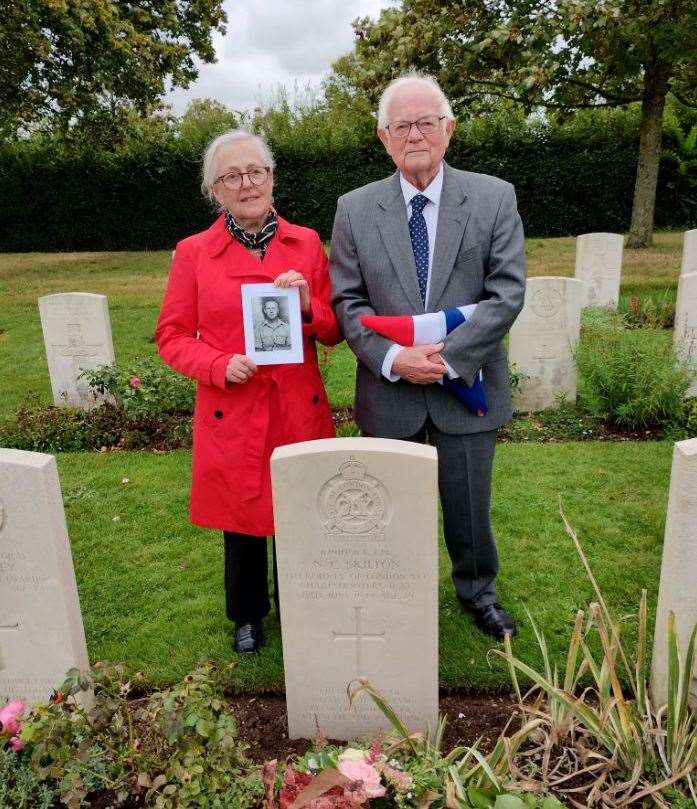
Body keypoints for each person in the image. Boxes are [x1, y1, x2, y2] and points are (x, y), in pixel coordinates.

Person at [329, 73, 526, 640]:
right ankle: (396, 594)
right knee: (387, 508)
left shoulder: (493, 197)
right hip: (389, 392)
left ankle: (478, 593)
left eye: (426, 122)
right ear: (383, 138)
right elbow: (347, 300)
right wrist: (394, 358)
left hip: (467, 389)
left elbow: (507, 292)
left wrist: (444, 360)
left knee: (469, 508)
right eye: (401, 126)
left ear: (449, 130)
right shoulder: (355, 209)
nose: (414, 134)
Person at [156, 130, 341, 654]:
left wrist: (308, 306)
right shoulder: (193, 253)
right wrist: (217, 364)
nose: (246, 183)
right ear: (214, 190)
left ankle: (301, 603)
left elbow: (332, 328)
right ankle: (247, 615)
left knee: (301, 508)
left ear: (272, 177)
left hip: (296, 404)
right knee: (242, 518)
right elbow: (170, 337)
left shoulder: (305, 243)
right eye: (232, 176)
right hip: (232, 407)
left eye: (255, 171)